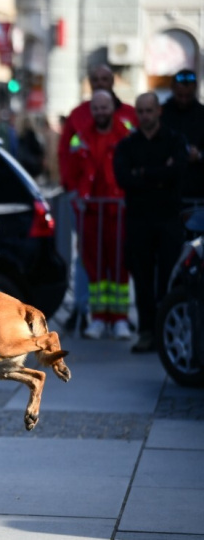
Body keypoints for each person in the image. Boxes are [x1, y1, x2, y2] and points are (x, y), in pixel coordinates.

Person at [58, 65, 137, 333]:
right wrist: (73, 190)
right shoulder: (82, 133)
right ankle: (98, 317)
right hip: (90, 210)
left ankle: (120, 319)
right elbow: (68, 160)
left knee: (119, 263)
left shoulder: (125, 132)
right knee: (93, 264)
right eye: (96, 108)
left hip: (119, 209)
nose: (101, 112)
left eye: (105, 108)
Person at [114, 92, 187, 353]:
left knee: (168, 278)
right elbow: (123, 178)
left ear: (158, 112)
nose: (145, 115)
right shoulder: (128, 145)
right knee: (142, 279)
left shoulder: (175, 141)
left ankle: (165, 332)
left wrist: (142, 173)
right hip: (139, 220)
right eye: (141, 111)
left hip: (168, 219)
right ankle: (146, 331)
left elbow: (177, 170)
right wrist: (158, 174)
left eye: (149, 110)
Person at [159, 69, 204, 202]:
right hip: (166, 187)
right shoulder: (161, 113)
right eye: (180, 95)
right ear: (172, 89)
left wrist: (200, 155)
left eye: (188, 96)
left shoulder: (202, 114)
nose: (184, 100)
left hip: (197, 189)